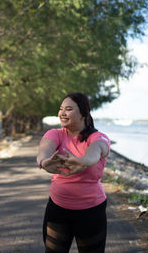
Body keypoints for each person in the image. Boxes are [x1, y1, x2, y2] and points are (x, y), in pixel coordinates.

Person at [37, 92, 110, 253]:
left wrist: (82, 161)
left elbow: (95, 152)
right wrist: (44, 162)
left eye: (68, 109)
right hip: (58, 209)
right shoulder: (55, 134)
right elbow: (44, 150)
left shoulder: (98, 138)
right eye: (61, 109)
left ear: (83, 113)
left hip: (91, 212)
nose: (62, 113)